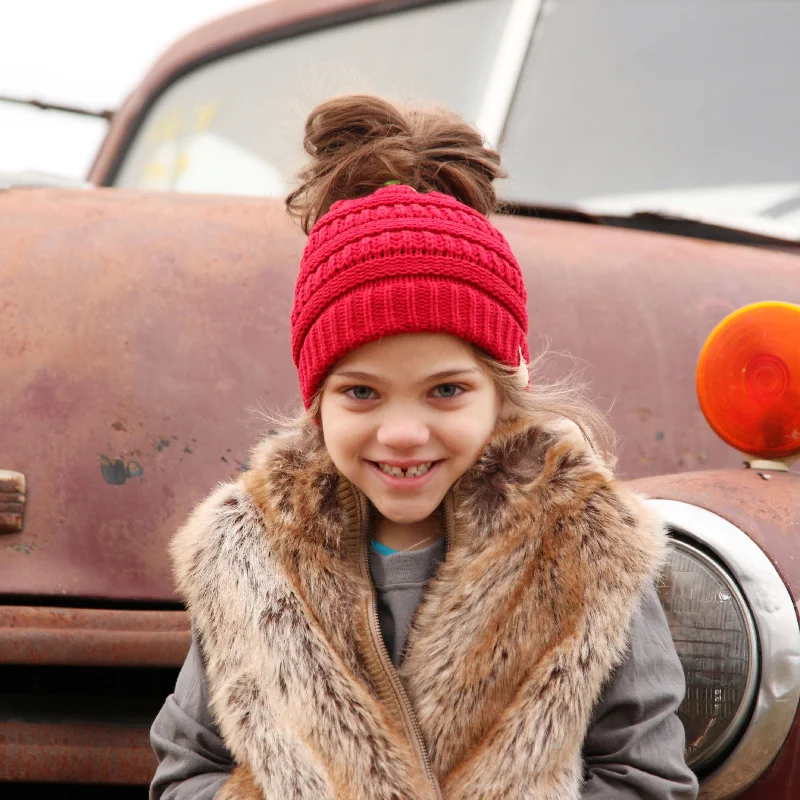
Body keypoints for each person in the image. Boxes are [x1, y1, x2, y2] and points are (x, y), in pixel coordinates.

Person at [150, 94, 699, 800]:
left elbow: (645, 777)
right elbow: (187, 769)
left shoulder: (585, 549)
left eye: (445, 391)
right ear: (315, 400)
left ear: (507, 386)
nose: (403, 433)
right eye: (361, 393)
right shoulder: (250, 558)